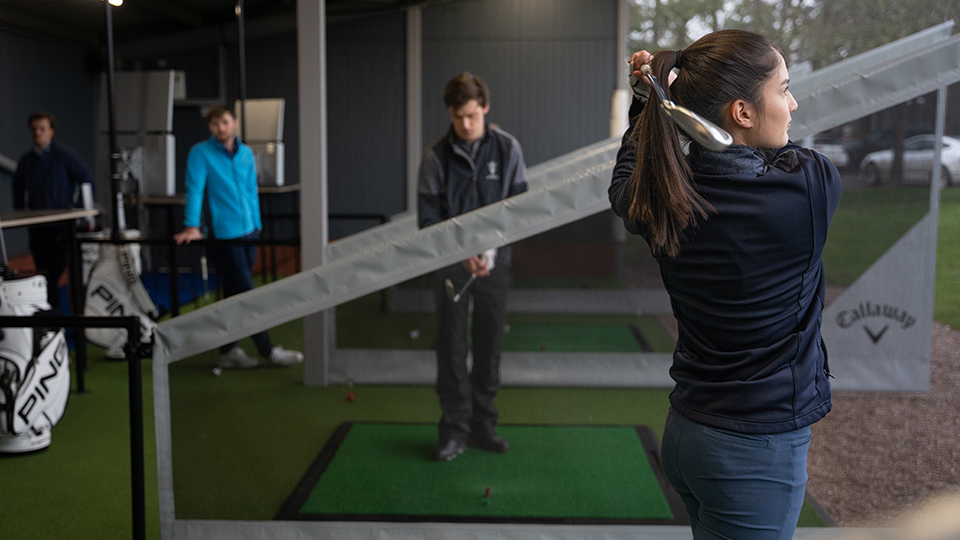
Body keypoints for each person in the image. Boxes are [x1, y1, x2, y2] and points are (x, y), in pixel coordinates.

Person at [609, 30, 841, 540]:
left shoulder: (666, 195)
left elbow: (629, 175)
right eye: (783, 89)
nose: (793, 102)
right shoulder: (808, 190)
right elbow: (786, 159)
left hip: (689, 434)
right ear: (742, 112)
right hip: (753, 452)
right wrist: (656, 100)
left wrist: (651, 103)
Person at [418, 72, 528, 461]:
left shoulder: (508, 148)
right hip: (453, 265)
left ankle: (484, 427)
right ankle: (453, 431)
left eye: (471, 115)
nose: (465, 124)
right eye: (457, 116)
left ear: (484, 108)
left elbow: (520, 209)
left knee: (489, 344)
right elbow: (427, 223)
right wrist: (461, 252)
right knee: (451, 347)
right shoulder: (434, 158)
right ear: (450, 113)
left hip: (497, 263)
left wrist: (494, 247)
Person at [174, 105, 303, 369]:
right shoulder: (200, 153)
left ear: (234, 123)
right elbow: (195, 190)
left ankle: (228, 350)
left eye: (224, 122)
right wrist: (191, 225)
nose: (220, 128)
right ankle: (268, 351)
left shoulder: (245, 153)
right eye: (214, 124)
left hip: (250, 232)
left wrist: (257, 224)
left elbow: (250, 190)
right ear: (210, 128)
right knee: (247, 293)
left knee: (234, 294)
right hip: (225, 236)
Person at [12, 111, 94, 312]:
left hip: (60, 226)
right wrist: (21, 211)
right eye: (34, 129)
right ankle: (50, 313)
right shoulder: (27, 160)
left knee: (55, 271)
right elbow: (17, 185)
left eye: (42, 129)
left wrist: (80, 210)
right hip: (37, 225)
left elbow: (86, 179)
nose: (38, 133)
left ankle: (56, 312)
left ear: (51, 131)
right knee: (42, 270)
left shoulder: (65, 156)